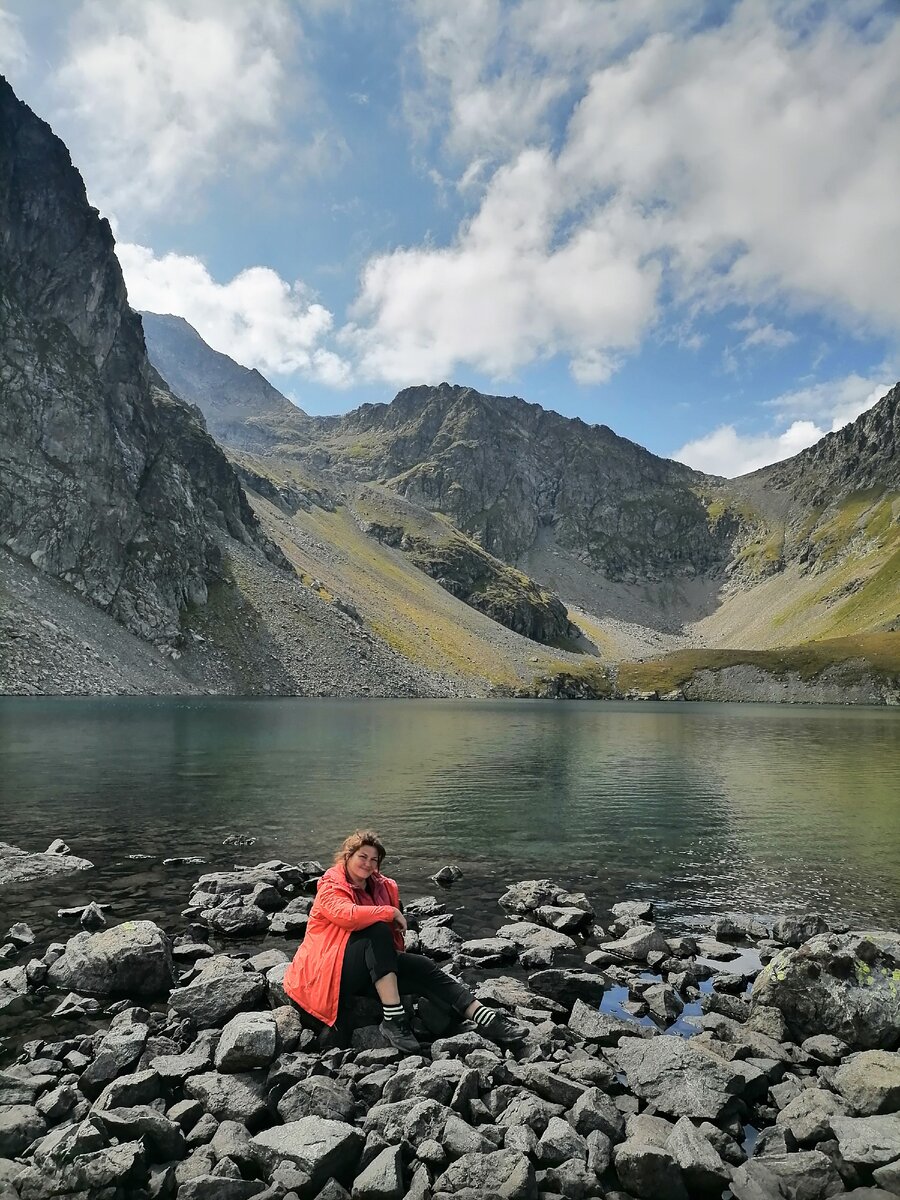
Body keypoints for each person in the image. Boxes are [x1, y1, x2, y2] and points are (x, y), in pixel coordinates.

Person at [283, 829, 527, 1053]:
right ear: (347, 856)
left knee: (422, 966)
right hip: (326, 972)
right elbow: (347, 916)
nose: (368, 864)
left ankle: (486, 1018)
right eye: (362, 857)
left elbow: (386, 944)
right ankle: (394, 1018)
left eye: (374, 860)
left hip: (368, 967)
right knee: (376, 928)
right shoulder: (330, 884)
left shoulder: (380, 886)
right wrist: (389, 912)